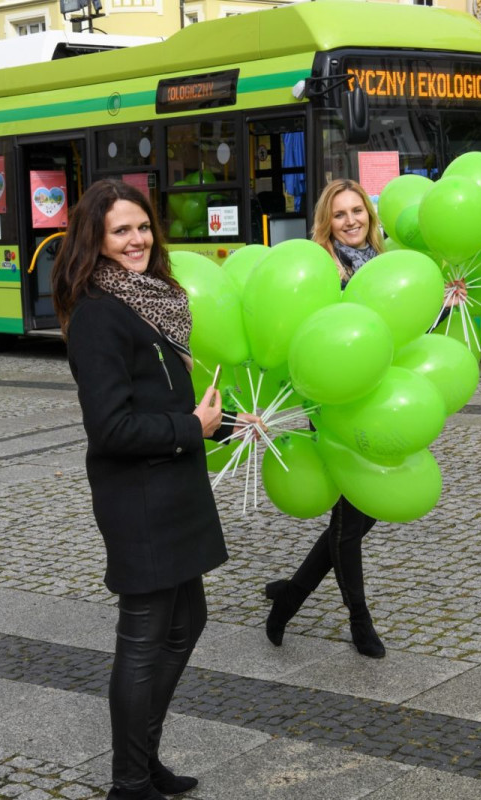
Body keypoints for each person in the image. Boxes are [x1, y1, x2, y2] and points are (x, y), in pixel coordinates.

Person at [52, 179, 259, 800]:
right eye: (121, 231)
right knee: (144, 639)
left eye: (142, 227)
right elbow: (110, 427)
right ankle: (129, 782)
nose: (136, 239)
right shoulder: (97, 314)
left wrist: (221, 425)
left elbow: (165, 400)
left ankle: (142, 759)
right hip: (138, 498)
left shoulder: (156, 299)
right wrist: (189, 427)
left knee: (186, 620)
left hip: (174, 488)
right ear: (96, 239)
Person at [262, 179, 390, 659]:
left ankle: (292, 593)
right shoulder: (323, 268)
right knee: (352, 510)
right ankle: (359, 620)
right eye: (340, 214)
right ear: (326, 222)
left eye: (358, 211)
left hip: (376, 400)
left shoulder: (380, 265)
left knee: (363, 510)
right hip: (333, 403)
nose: (351, 220)